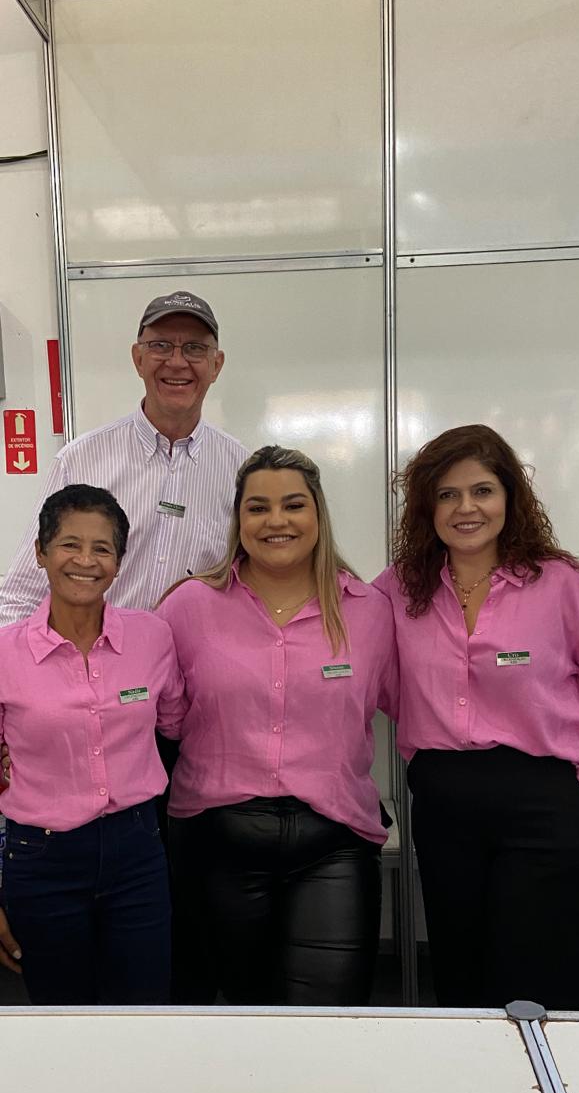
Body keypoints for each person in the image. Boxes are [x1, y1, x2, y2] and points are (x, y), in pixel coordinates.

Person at [157, 444, 396, 1007]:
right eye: (257, 508)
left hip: (333, 846)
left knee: (331, 1018)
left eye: (293, 505)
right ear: (238, 521)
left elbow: (423, 702)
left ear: (318, 515)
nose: (276, 521)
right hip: (219, 846)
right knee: (246, 1016)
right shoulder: (188, 606)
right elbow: (155, 716)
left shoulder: (370, 610)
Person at [374, 423, 579, 1011]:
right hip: (445, 800)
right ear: (427, 508)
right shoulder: (397, 590)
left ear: (509, 499)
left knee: (539, 971)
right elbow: (358, 661)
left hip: (546, 799)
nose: (465, 508)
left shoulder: (564, 585)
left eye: (482, 491)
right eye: (447, 494)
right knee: (461, 966)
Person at [0, 484, 187, 1002]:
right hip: (40, 858)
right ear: (40, 553)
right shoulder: (5, 654)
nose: (85, 560)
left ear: (120, 562)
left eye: (102, 548)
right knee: (62, 1016)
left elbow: (174, 722)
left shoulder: (153, 637)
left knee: (147, 1007)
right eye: (68, 544)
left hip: (137, 851)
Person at [0, 290, 248, 623]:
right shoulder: (81, 461)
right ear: (138, 359)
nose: (177, 362)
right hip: (99, 667)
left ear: (216, 365)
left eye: (194, 348)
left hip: (196, 670)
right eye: (160, 346)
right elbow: (23, 595)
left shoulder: (241, 473)